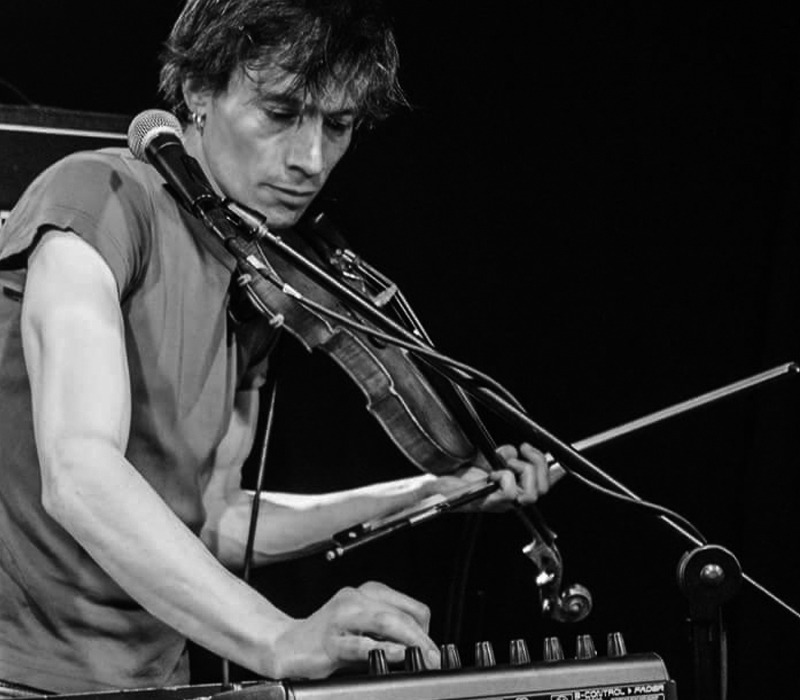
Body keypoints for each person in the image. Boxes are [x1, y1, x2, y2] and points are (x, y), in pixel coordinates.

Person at [0, 0, 552, 694]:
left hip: (156, 682)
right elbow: (79, 471)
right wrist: (278, 636)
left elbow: (218, 518)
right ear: (198, 92)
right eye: (281, 113)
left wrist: (426, 491)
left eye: (338, 126)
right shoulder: (97, 196)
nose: (310, 160)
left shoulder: (256, 276)